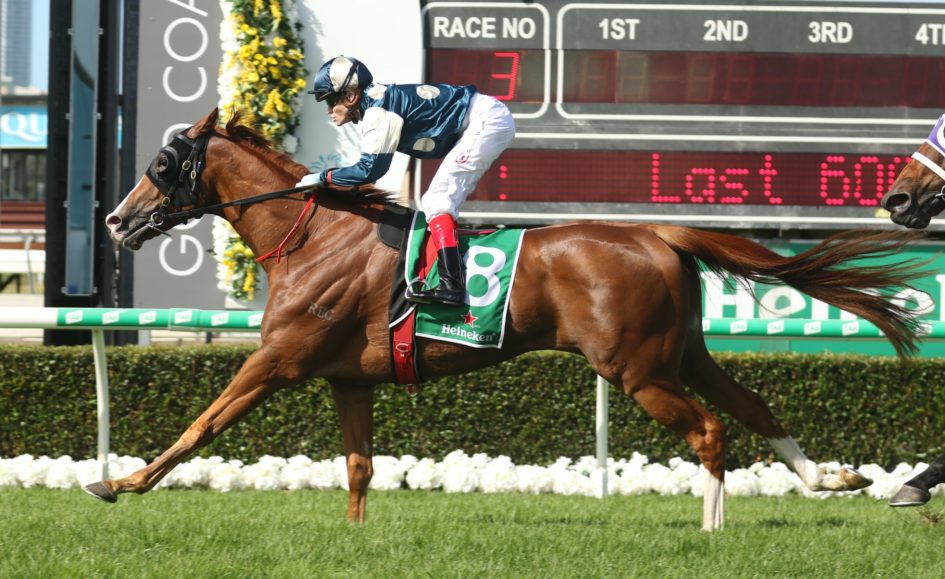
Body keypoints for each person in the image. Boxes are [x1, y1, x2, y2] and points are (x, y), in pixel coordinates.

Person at [296, 55, 516, 307]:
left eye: (331, 100)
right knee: (435, 200)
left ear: (351, 96)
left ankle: (452, 285)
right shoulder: (375, 104)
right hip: (482, 118)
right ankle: (451, 280)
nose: (328, 110)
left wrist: (323, 177)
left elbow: (369, 171)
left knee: (437, 200)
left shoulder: (377, 113)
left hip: (486, 121)